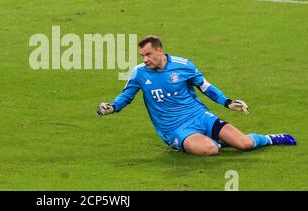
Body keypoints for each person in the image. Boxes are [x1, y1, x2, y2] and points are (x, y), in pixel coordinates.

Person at [97, 35, 296, 156]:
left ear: (160, 51)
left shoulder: (184, 66)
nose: (145, 59)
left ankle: (270, 139)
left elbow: (205, 87)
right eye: (142, 56)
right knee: (211, 150)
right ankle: (207, 142)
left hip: (200, 116)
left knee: (244, 144)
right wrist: (112, 107)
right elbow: (126, 96)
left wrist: (227, 102)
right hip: (175, 129)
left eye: (148, 54)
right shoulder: (139, 73)